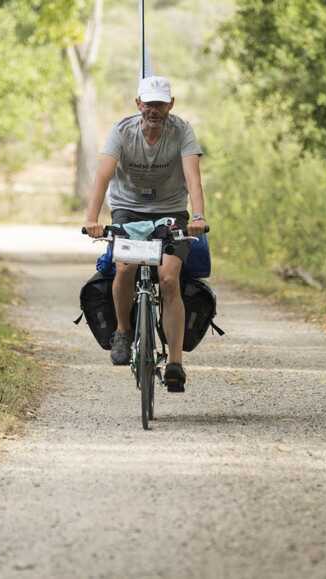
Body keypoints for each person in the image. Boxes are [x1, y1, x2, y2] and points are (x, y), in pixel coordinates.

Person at [83, 75, 208, 392]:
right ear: (138, 104)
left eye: (160, 103)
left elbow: (193, 177)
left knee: (168, 278)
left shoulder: (181, 131)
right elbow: (103, 175)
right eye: (148, 103)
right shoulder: (122, 132)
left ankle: (176, 363)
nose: (154, 109)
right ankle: (123, 331)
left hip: (171, 214)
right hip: (128, 210)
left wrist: (198, 216)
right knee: (125, 267)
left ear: (170, 105)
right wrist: (91, 219)